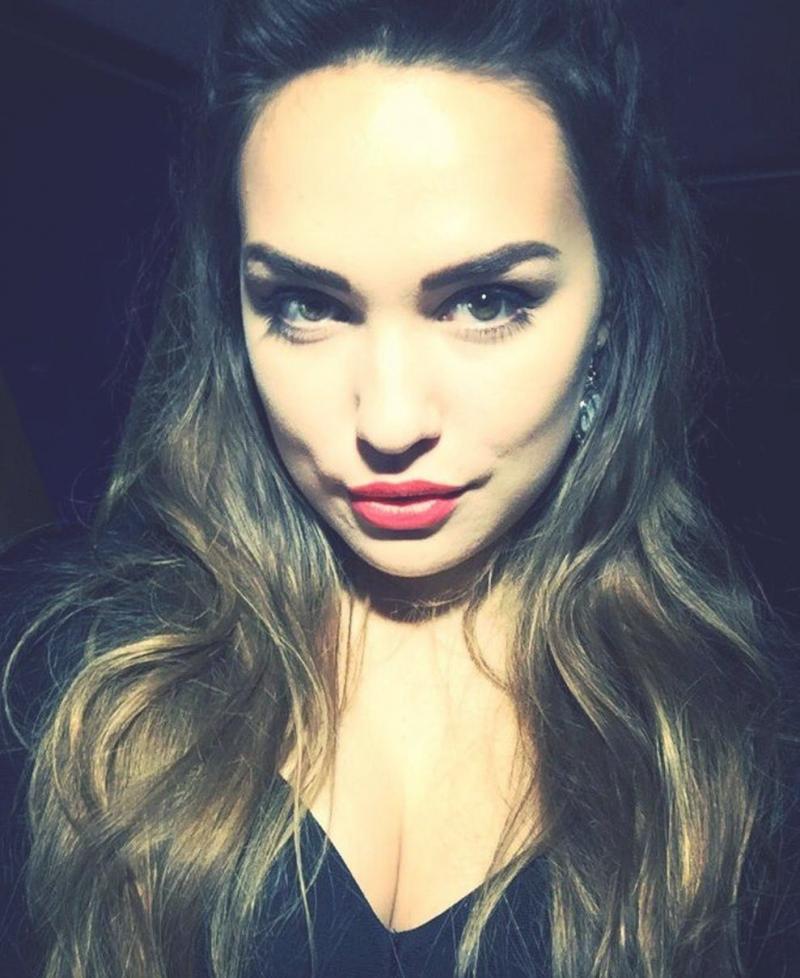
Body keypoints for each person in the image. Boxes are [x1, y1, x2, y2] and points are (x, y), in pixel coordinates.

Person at [2, 1, 798, 976]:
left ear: (610, 320)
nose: (385, 423)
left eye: (486, 301)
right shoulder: (62, 674)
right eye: (305, 304)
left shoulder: (745, 747)